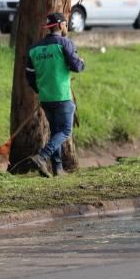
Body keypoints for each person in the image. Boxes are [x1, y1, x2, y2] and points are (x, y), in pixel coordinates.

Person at [26, 13, 85, 177]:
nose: (67, 27)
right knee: (65, 131)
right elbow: (77, 67)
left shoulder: (35, 49)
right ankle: (42, 156)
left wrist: (40, 89)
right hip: (62, 96)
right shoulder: (65, 43)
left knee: (55, 131)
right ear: (60, 25)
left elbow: (29, 75)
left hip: (46, 98)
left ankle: (58, 168)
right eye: (66, 24)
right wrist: (82, 61)